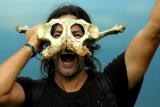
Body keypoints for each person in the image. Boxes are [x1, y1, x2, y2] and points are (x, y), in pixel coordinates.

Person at [0, 0, 160, 107]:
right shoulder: (32, 93)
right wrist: (32, 45)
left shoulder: (113, 84)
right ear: (46, 42)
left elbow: (154, 30)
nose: (66, 41)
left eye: (76, 34)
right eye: (57, 35)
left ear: (89, 43)